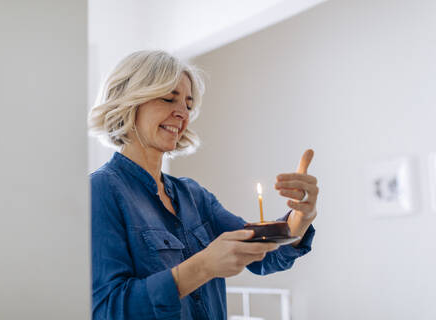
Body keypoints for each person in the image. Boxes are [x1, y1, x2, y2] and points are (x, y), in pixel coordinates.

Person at [88, 50, 318, 320]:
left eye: (187, 104)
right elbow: (107, 310)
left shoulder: (193, 195)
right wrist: (203, 267)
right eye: (168, 98)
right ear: (129, 102)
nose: (182, 113)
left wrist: (301, 218)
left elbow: (263, 256)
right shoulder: (100, 191)